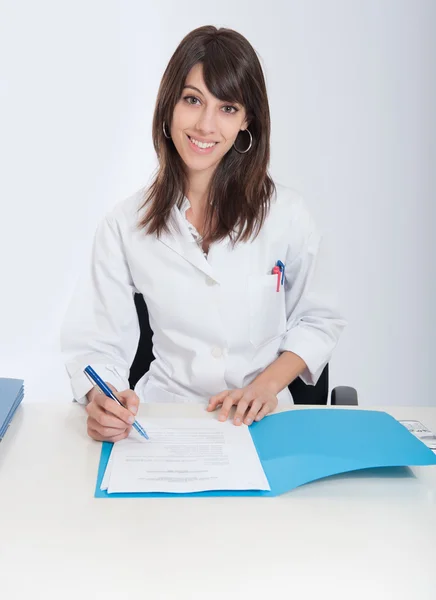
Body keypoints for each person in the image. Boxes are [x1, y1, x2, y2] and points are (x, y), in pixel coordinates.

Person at [61, 25, 346, 443]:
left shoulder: (288, 216)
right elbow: (96, 344)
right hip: (163, 424)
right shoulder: (125, 225)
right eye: (193, 100)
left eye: (227, 108)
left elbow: (319, 320)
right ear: (169, 107)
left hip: (264, 424)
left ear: (247, 119)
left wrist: (265, 386)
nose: (205, 125)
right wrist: (102, 402)